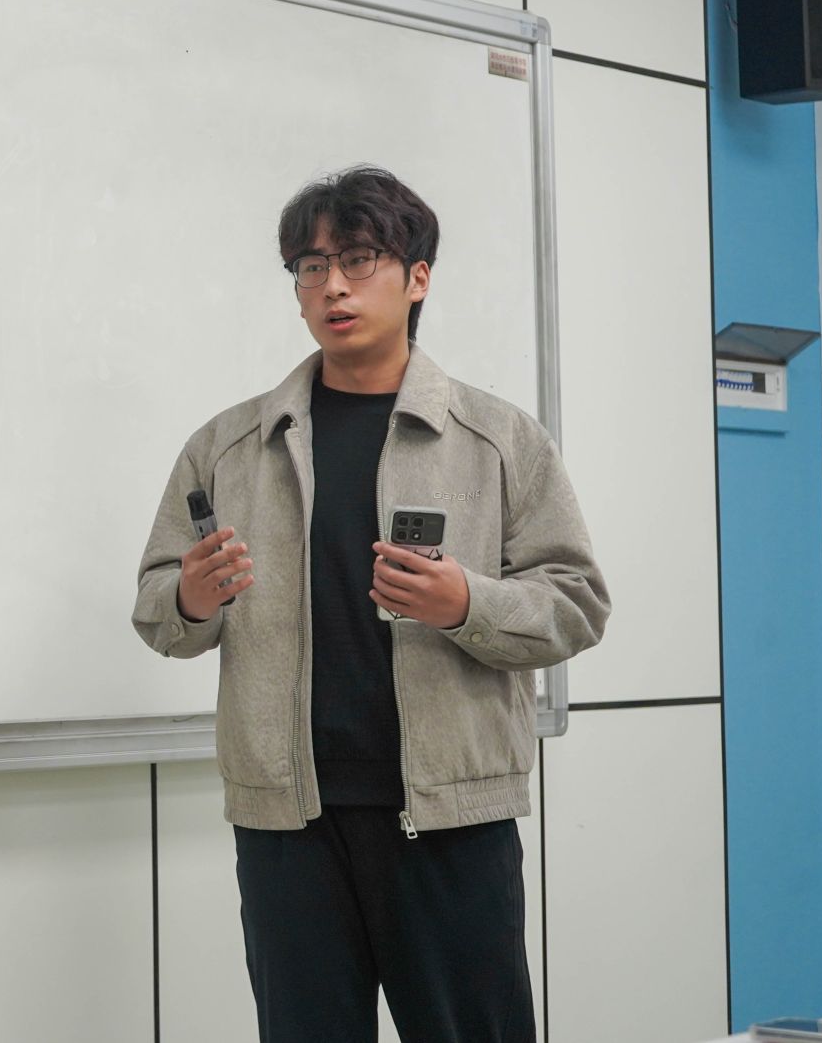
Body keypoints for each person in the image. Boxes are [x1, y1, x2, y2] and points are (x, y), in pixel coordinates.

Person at [131, 165, 608, 1043]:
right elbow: (158, 607)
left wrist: (466, 602)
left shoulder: (497, 439)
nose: (332, 287)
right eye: (310, 267)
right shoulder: (228, 446)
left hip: (449, 816)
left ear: (418, 277)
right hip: (288, 823)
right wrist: (191, 598)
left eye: (357, 259)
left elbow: (577, 602)